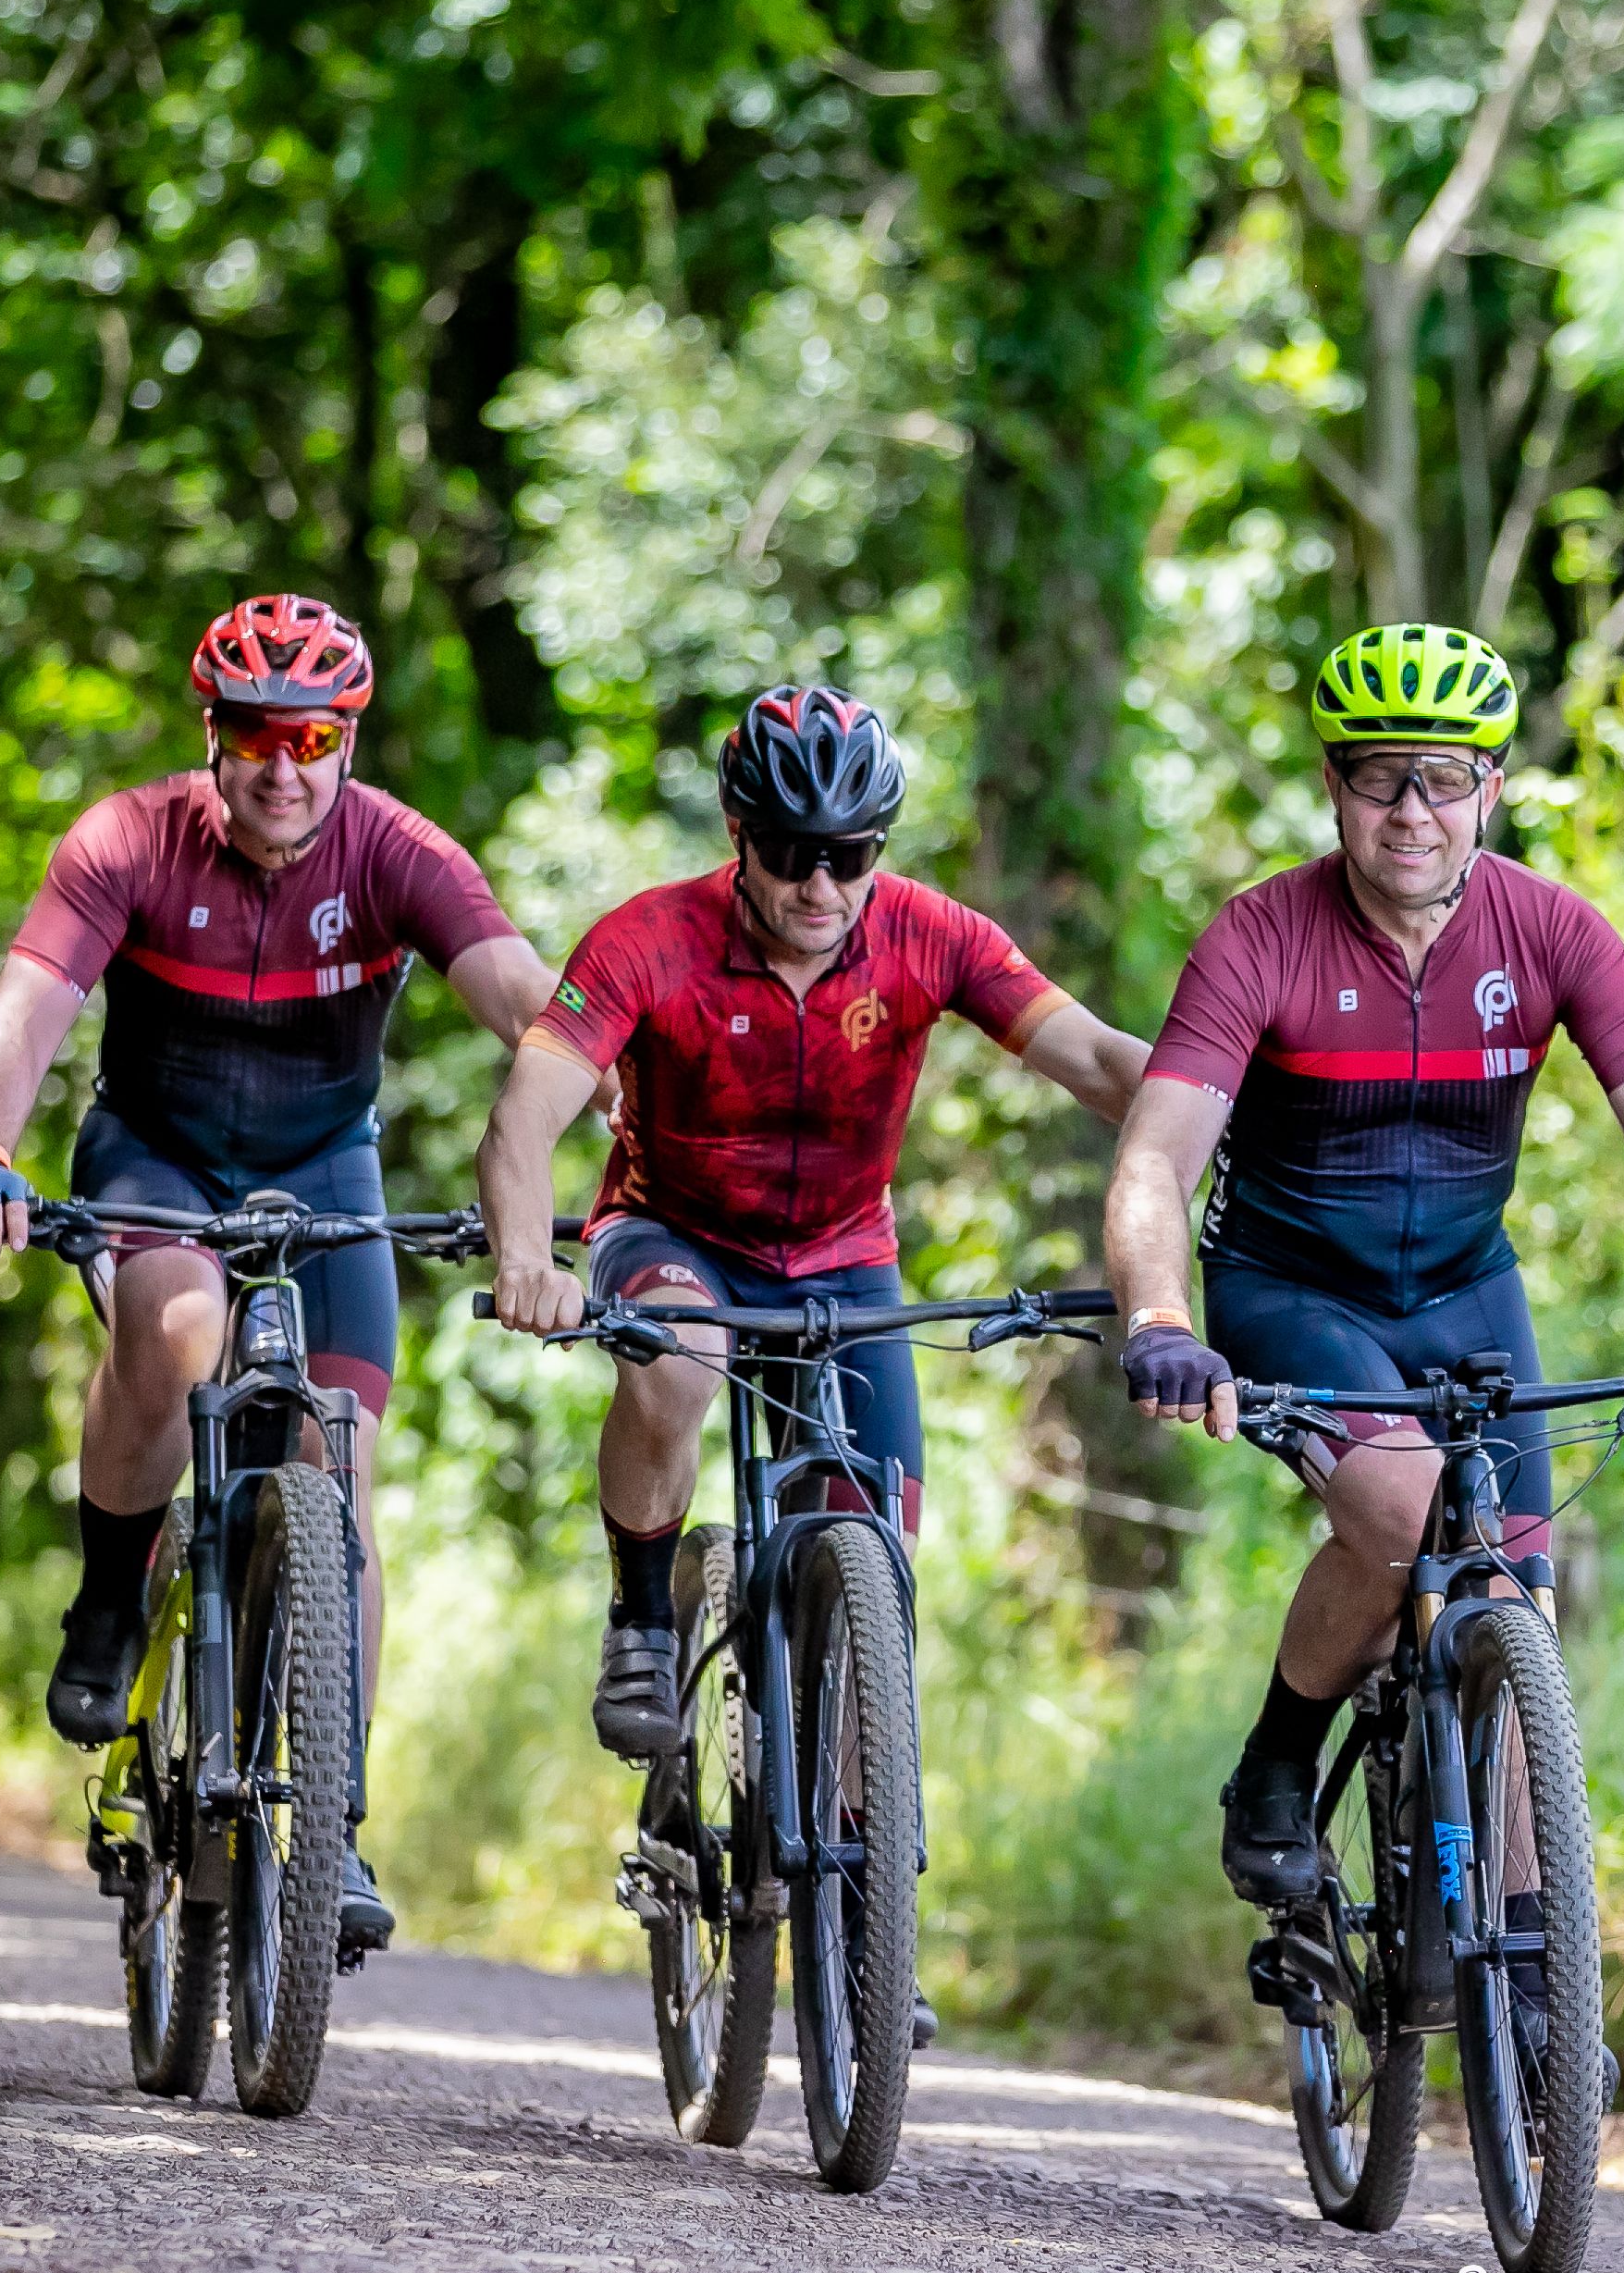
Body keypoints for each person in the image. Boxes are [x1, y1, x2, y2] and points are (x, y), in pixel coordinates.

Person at [1100, 623, 1624, 1921]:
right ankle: (1278, 1761)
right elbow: (1156, 1157)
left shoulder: (1551, 931)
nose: (1411, 811)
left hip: (1468, 1294)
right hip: (1290, 1291)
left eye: (1441, 777)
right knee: (1403, 1514)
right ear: (1335, 786)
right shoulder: (1260, 937)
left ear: (1492, 786)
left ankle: (1537, 1967)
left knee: (1516, 1599)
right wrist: (1159, 1317)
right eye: (1380, 777)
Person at [0, 593, 557, 1955]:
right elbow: (28, 1008)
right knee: (176, 1328)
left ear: (349, 742)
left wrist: (617, 1107)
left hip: (326, 1174)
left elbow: (525, 1000)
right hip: (153, 1159)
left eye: (313, 738)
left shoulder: (400, 853)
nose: (285, 768)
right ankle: (110, 1597)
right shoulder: (128, 840)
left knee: (344, 1470)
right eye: (259, 736)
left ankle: (333, 1824)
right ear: (213, 733)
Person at [477, 685, 1148, 1766]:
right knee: (683, 1361)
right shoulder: (650, 939)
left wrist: (1242, 1129)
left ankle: (846, 1829)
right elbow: (524, 1119)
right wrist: (523, 1258)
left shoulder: (929, 933)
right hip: (671, 1233)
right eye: (793, 854)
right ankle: (643, 1617)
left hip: (843, 1255)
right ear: (738, 834)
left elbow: (1105, 1064)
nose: (822, 885)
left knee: (879, 1569)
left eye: (851, 854)